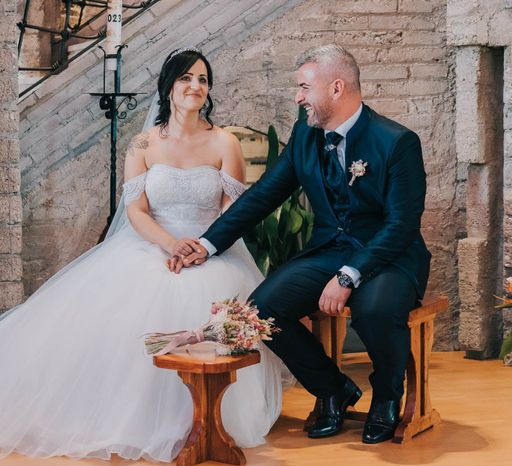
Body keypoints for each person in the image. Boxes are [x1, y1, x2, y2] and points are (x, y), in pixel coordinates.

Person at [0, 48, 290, 466]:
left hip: (211, 251)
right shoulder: (143, 143)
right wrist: (171, 245)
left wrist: (201, 246)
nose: (195, 87)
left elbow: (233, 212)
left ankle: (209, 424)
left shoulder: (226, 143)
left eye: (203, 80)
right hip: (154, 248)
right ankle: (133, 417)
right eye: (186, 78)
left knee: (220, 310)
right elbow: (137, 212)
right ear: (169, 86)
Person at [179, 44, 431, 444]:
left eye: (303, 87)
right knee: (261, 311)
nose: (298, 97)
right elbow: (264, 196)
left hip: (389, 256)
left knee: (375, 309)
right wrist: (208, 244)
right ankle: (333, 390)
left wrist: (349, 276)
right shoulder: (304, 136)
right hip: (329, 251)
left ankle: (387, 397)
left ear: (336, 88)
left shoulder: (397, 142)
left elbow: (401, 225)